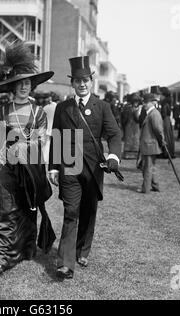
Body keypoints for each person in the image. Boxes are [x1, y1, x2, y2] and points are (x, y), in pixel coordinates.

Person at [0, 42, 55, 275]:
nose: (24, 87)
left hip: (30, 169)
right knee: (4, 211)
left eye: (28, 83)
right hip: (5, 169)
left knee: (26, 210)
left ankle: (24, 249)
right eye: (20, 83)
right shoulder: (3, 111)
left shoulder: (39, 113)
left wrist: (22, 146)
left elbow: (41, 140)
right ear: (13, 86)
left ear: (32, 86)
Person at [48, 56, 122, 279]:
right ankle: (65, 264)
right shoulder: (63, 108)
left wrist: (114, 156)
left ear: (91, 81)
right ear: (72, 83)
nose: (82, 84)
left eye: (85, 80)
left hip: (93, 168)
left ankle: (82, 249)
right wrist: (53, 167)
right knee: (71, 212)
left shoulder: (102, 107)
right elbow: (57, 138)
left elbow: (115, 134)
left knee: (89, 210)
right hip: (69, 166)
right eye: (77, 81)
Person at [137, 93, 166, 194]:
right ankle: (155, 185)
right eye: (143, 102)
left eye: (146, 102)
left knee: (147, 168)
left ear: (151, 103)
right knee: (150, 166)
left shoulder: (154, 114)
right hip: (149, 144)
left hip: (150, 144)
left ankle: (145, 188)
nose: (144, 104)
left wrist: (162, 141)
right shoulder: (151, 113)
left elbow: (158, 130)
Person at [121, 93, 142, 159]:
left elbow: (123, 117)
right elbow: (137, 118)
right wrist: (137, 111)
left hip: (128, 126)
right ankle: (133, 154)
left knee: (129, 139)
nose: (136, 103)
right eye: (135, 102)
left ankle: (127, 154)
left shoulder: (126, 107)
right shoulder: (134, 108)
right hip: (133, 126)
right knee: (133, 139)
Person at [160, 87, 175, 158]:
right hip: (167, 120)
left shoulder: (164, 104)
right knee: (169, 136)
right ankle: (169, 152)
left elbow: (163, 114)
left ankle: (166, 153)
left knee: (166, 136)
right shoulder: (168, 103)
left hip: (165, 120)